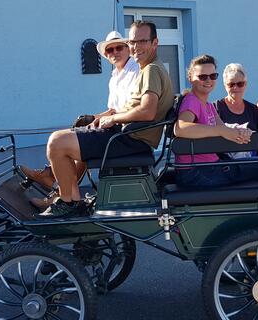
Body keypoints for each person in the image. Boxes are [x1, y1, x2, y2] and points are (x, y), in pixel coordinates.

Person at [36, 20, 173, 218]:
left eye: (142, 41)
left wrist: (114, 118)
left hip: (131, 139)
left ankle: (68, 202)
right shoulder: (148, 68)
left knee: (56, 142)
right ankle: (69, 197)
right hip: (129, 136)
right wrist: (104, 118)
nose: (136, 47)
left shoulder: (151, 70)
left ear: (155, 43)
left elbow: (147, 112)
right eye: (133, 42)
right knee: (68, 135)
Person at [20, 31, 140, 210]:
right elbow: (114, 108)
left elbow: (132, 109)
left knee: (57, 141)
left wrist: (104, 120)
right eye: (110, 50)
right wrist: (95, 118)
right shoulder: (116, 75)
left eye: (119, 47)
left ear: (128, 49)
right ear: (106, 55)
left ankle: (65, 199)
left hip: (124, 134)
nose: (114, 52)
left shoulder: (135, 71)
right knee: (76, 131)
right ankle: (63, 192)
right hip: (116, 129)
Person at [174, 55, 258, 188]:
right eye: (203, 76)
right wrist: (220, 131)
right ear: (190, 78)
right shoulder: (191, 101)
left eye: (213, 76)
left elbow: (225, 130)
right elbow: (180, 128)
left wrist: (240, 133)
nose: (208, 80)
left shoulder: (208, 106)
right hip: (196, 172)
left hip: (210, 166)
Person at [214, 63, 258, 159]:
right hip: (225, 163)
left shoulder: (253, 110)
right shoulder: (215, 107)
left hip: (252, 162)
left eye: (240, 84)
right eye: (231, 84)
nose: (236, 88)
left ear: (245, 84)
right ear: (225, 85)